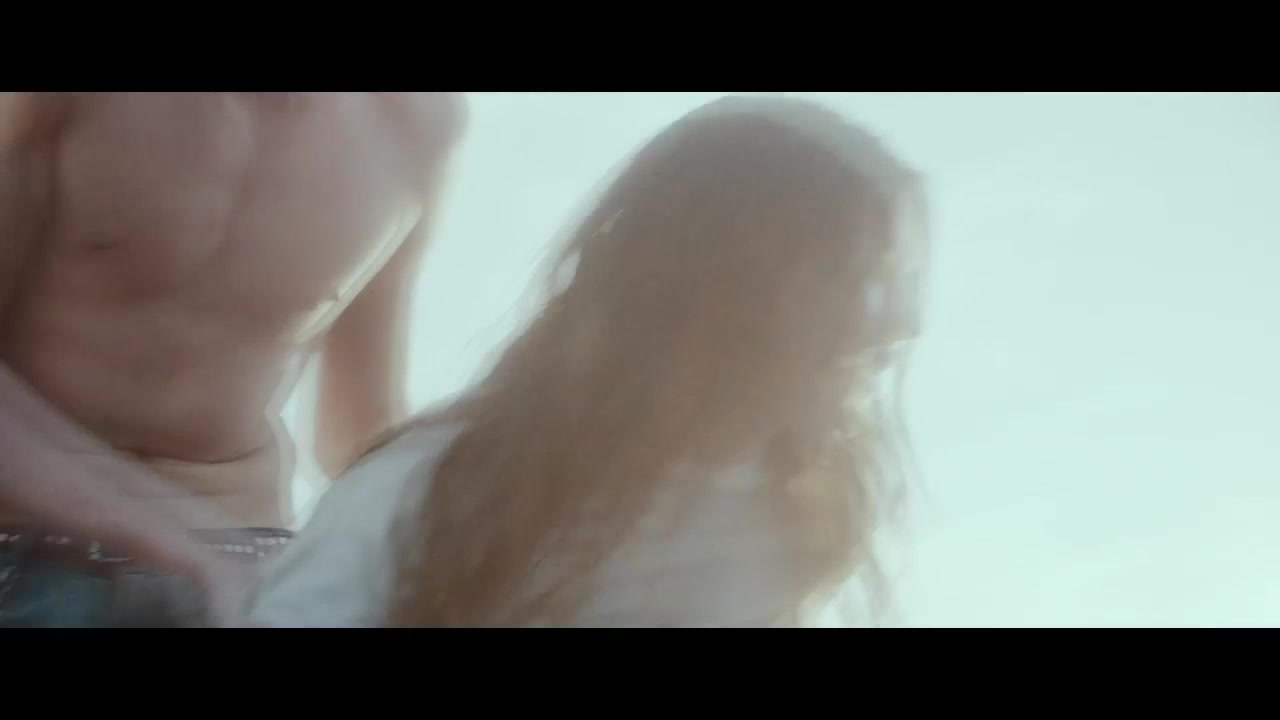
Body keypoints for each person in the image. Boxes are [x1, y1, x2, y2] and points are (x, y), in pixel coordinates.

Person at [249, 95, 928, 627]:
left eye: (893, 284)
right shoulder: (431, 490)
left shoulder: (795, 528)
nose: (897, 329)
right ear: (723, 291)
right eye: (853, 280)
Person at [0, 92, 465, 627]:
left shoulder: (416, 121)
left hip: (244, 566)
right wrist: (170, 542)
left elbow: (359, 431)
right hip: (28, 547)